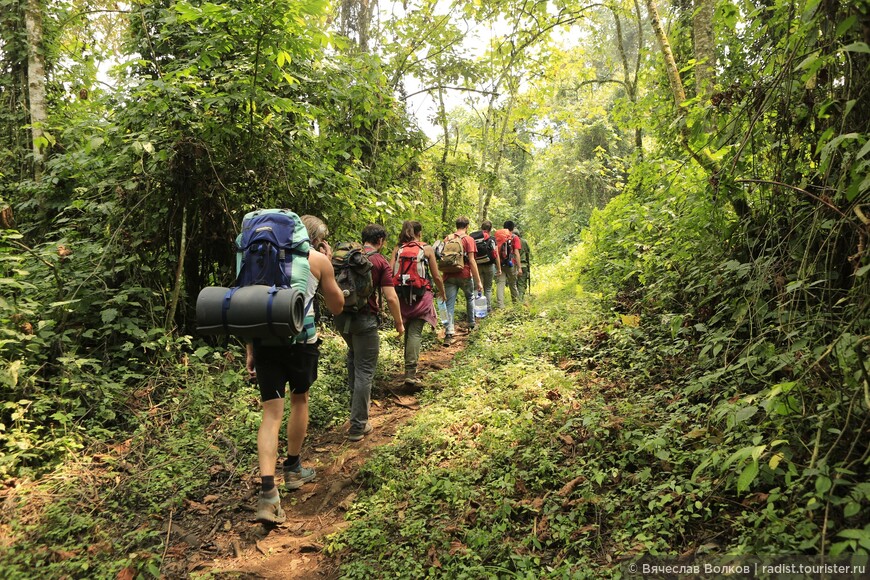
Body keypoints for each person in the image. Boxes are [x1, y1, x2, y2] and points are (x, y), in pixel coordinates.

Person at [251, 215, 345, 525]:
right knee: (299, 399)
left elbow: (249, 304)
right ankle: (292, 469)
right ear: (317, 239)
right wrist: (327, 264)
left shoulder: (260, 255)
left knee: (270, 414)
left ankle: (268, 494)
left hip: (264, 342)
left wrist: (251, 349)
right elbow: (337, 306)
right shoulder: (317, 259)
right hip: (302, 341)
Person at [335, 224, 404, 441]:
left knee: (354, 359)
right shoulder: (380, 261)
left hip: (342, 318)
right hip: (365, 319)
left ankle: (355, 413)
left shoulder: (348, 256)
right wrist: (399, 323)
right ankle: (358, 425)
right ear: (381, 240)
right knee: (364, 369)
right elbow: (391, 297)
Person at [390, 220, 446, 386]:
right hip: (421, 296)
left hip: (401, 296)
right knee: (415, 332)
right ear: (419, 233)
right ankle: (410, 373)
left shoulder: (397, 249)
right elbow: (436, 276)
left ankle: (408, 369)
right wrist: (441, 291)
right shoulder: (426, 249)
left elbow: (389, 271)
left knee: (409, 331)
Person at [442, 216, 483, 345]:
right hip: (464, 274)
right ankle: (471, 325)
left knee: (449, 304)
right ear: (467, 226)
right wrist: (478, 281)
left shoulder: (448, 238)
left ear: (456, 225)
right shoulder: (469, 239)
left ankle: (449, 333)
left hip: (448, 274)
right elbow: (471, 260)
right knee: (470, 297)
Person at [475, 220, 501, 313]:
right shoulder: (492, 239)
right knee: (488, 288)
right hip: (489, 265)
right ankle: (488, 308)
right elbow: (496, 254)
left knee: (479, 288)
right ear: (490, 229)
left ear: (482, 228)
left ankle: (479, 309)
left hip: (477, 265)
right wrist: (499, 268)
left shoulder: (476, 238)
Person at [496, 220, 523, 308]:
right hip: (511, 264)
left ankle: (501, 306)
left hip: (500, 263)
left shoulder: (498, 237)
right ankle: (516, 304)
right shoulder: (514, 237)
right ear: (513, 228)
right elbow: (516, 253)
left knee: (500, 283)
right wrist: (519, 267)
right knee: (513, 283)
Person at [515, 227, 531, 301]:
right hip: (523, 265)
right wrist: (528, 265)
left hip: (513, 266)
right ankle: (520, 299)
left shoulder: (510, 242)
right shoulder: (524, 242)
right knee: (521, 283)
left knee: (515, 284)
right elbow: (527, 253)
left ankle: (517, 299)